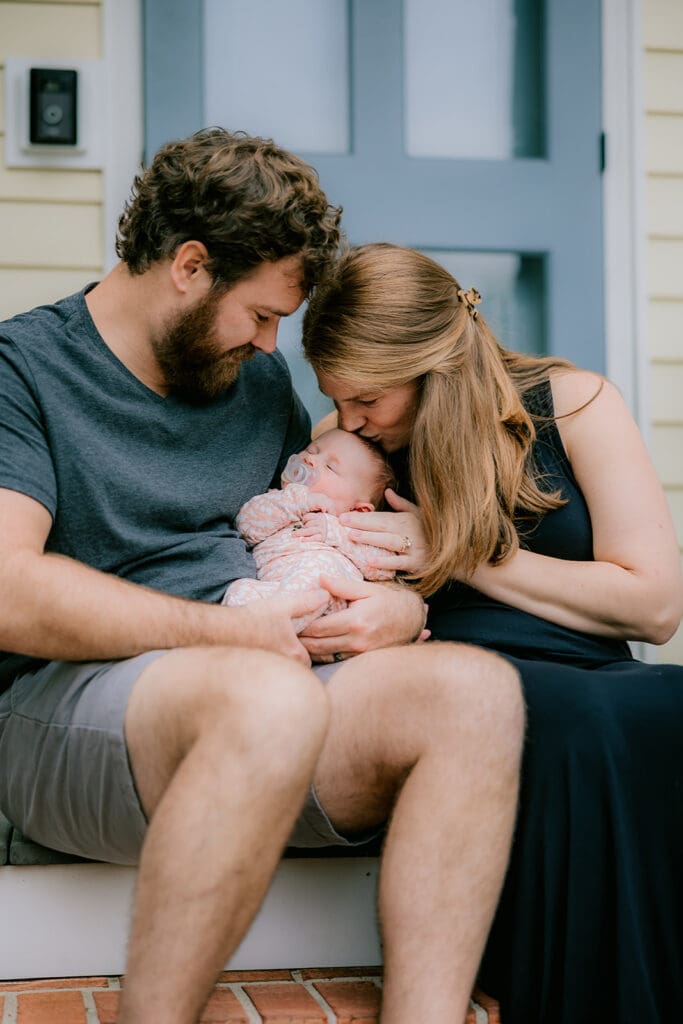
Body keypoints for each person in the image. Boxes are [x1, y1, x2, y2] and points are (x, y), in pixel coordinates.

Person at [0, 131, 524, 1024]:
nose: (273, 343)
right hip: (73, 708)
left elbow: (319, 519)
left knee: (474, 692)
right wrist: (231, 635)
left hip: (269, 675)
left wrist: (393, 607)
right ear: (190, 266)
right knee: (263, 698)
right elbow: (10, 591)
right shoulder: (25, 369)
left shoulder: (252, 379)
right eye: (260, 314)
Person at [302, 241, 683, 1024]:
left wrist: (457, 553)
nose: (350, 421)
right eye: (336, 399)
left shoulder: (574, 403)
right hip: (461, 678)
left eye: (367, 397)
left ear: (432, 364)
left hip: (598, 663)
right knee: (575, 723)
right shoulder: (352, 451)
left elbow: (653, 606)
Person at [224, 428, 398, 631]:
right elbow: (246, 526)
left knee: (319, 568)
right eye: (312, 450)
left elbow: (383, 567)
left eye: (330, 467)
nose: (310, 460)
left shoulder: (354, 526)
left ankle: (268, 630)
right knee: (238, 589)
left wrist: (334, 531)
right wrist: (295, 502)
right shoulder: (277, 500)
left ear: (359, 509)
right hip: (271, 593)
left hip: (323, 602)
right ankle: (254, 634)